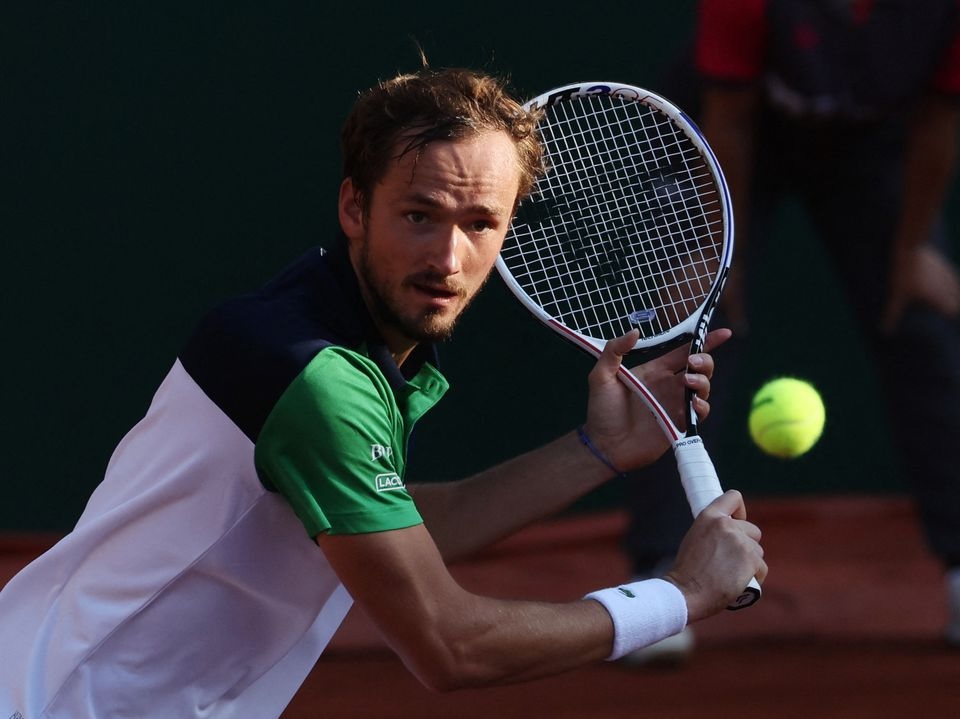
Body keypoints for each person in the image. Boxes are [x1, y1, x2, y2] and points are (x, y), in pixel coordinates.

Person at [0, 66, 766, 717]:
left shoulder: (321, 326)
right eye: (418, 215)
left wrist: (595, 450)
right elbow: (448, 642)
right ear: (354, 208)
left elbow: (400, 529)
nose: (447, 255)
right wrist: (681, 593)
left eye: (479, 222)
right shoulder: (317, 378)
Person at [623, 0, 960, 665]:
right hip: (732, 136)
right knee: (697, 325)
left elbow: (942, 117)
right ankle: (664, 572)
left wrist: (915, 244)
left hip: (872, 144)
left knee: (924, 323)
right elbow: (732, 121)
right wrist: (722, 257)